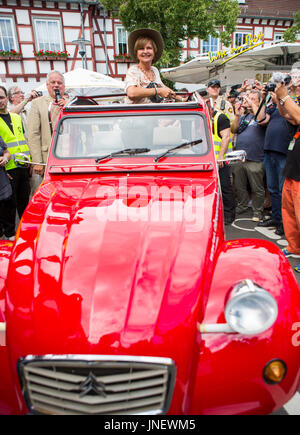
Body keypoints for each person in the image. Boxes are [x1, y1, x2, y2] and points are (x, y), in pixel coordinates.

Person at [257, 85, 296, 236]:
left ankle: (284, 223)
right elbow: (261, 119)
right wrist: (262, 98)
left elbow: (292, 118)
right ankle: (276, 217)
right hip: (269, 150)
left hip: (284, 151)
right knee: (272, 188)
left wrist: (281, 99)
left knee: (282, 190)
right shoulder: (273, 104)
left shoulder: (292, 102)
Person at [275, 82, 300, 273]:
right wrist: (278, 98)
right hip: (292, 170)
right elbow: (287, 115)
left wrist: (285, 96)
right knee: (289, 213)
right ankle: (294, 247)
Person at [0, 86, 32, 239]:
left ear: (7, 98)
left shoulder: (17, 118)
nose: (0, 101)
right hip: (7, 169)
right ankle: (11, 234)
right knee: (9, 204)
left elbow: (24, 140)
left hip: (23, 166)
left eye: (1, 97)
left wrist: (30, 161)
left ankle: (26, 231)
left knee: (24, 202)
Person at [231, 89, 266, 222]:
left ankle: (258, 211)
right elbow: (234, 130)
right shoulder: (245, 117)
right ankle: (242, 205)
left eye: (252, 98)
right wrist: (237, 115)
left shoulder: (263, 115)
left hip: (255, 157)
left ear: (259, 100)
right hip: (240, 158)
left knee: (257, 187)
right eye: (248, 98)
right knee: (239, 185)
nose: (248, 100)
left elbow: (261, 118)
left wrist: (252, 104)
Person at [27, 70, 68, 178]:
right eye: (53, 82)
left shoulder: (71, 102)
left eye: (59, 83)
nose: (56, 85)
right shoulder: (38, 103)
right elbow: (33, 134)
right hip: (48, 158)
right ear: (47, 85)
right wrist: (37, 161)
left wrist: (68, 106)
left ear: (64, 86)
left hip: (70, 156)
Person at [125, 28, 177, 104]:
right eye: (141, 48)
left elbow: (162, 87)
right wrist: (158, 91)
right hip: (137, 114)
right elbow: (131, 93)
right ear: (136, 53)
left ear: (154, 51)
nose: (145, 51)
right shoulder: (133, 70)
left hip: (154, 114)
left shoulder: (154, 70)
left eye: (149, 48)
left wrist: (180, 98)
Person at [208, 101, 236, 224]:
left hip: (221, 160)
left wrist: (220, 156)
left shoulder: (221, 117)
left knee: (225, 186)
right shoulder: (204, 117)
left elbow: (226, 137)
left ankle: (229, 214)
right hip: (210, 160)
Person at [0, 135, 14, 240]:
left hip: (2, 180)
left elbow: (7, 152)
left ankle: (10, 234)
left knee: (6, 207)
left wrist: (5, 158)